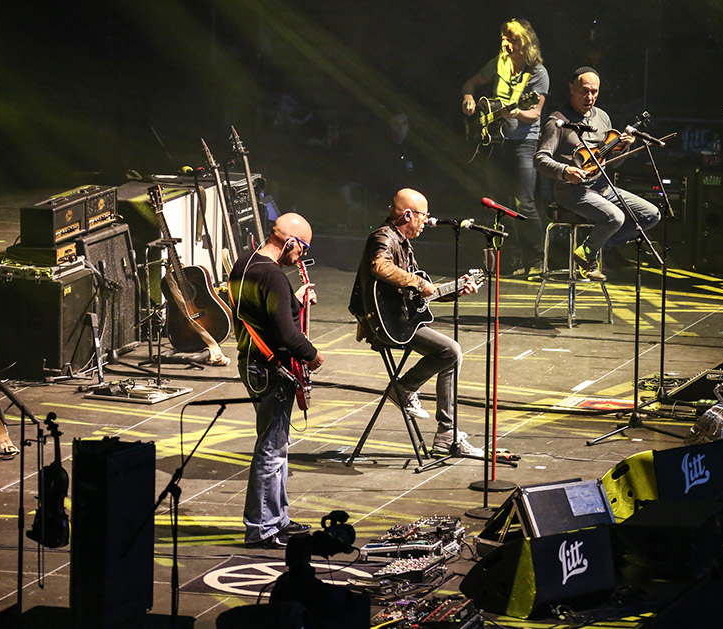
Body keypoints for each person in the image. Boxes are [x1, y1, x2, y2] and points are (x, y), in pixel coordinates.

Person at [349, 188, 482, 457]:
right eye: (423, 216)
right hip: (385, 326)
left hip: (402, 320)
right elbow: (380, 267)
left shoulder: (404, 244)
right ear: (407, 214)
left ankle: (446, 433)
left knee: (451, 355)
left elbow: (422, 297)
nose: (426, 221)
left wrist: (456, 290)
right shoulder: (384, 237)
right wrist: (420, 283)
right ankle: (403, 387)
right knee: (451, 351)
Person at [229, 212, 324, 550]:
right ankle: (262, 527)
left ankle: (277, 518)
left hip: (251, 362)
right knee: (271, 448)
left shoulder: (245, 263)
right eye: (302, 250)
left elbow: (263, 314)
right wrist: (313, 355)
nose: (300, 258)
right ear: (290, 243)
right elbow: (286, 333)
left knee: (276, 446)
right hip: (272, 368)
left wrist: (294, 301)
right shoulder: (274, 278)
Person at [534, 66, 661, 280]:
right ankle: (590, 251)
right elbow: (540, 159)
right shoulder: (558, 121)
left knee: (651, 214)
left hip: (603, 188)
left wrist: (626, 148)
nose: (589, 96)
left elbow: (613, 164)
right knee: (615, 217)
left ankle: (592, 248)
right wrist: (565, 171)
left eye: (594, 92)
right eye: (584, 91)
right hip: (572, 191)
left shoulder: (602, 117)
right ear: (571, 88)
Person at [461, 18, 549, 277]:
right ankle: (513, 259)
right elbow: (471, 84)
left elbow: (534, 114)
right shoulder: (498, 63)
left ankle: (537, 259)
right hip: (496, 141)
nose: (505, 43)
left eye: (510, 38)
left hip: (524, 142)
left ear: (524, 41)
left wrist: (515, 112)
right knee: (501, 204)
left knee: (525, 202)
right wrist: (468, 97)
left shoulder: (538, 72)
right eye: (503, 38)